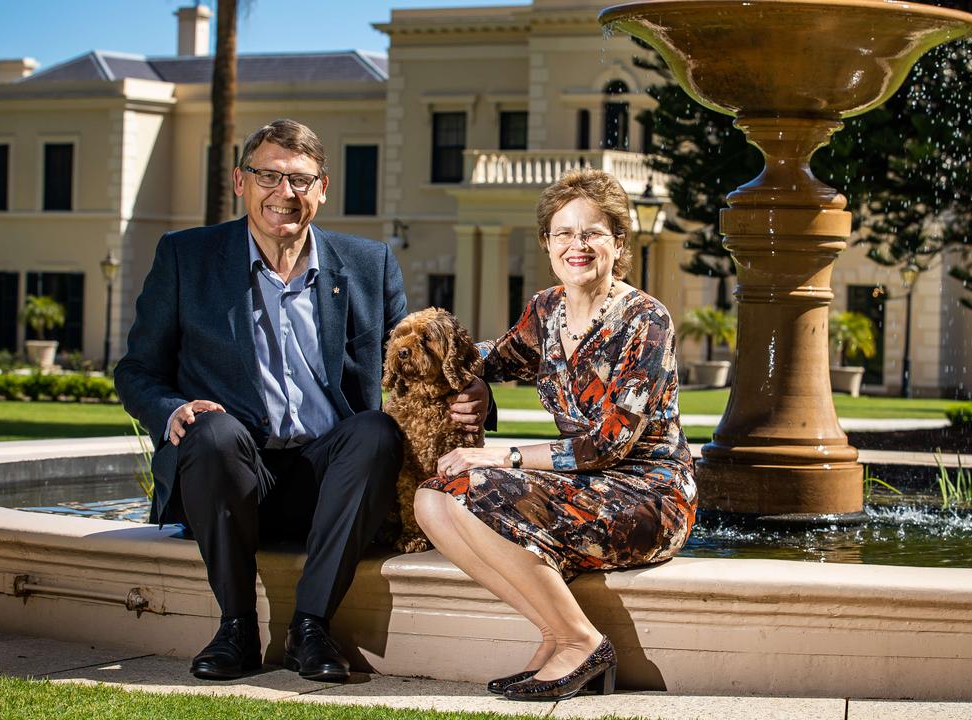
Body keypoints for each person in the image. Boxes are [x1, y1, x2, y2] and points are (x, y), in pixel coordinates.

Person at [115, 119, 489, 683]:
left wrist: (474, 394)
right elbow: (136, 371)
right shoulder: (185, 258)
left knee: (375, 431)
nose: (283, 194)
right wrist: (172, 411)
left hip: (328, 480)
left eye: (299, 180)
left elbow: (417, 367)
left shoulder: (369, 265)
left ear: (322, 189)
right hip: (232, 473)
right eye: (268, 176)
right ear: (241, 182)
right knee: (212, 433)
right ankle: (235, 628)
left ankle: (310, 628)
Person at [414, 168, 697, 702]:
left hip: (649, 494)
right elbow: (490, 357)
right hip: (580, 490)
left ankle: (582, 642)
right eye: (563, 233)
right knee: (431, 500)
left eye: (592, 232)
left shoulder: (646, 322)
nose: (577, 245)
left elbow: (608, 445)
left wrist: (503, 455)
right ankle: (556, 632)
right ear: (547, 244)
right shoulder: (546, 312)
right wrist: (467, 378)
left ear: (618, 242)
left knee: (477, 487)